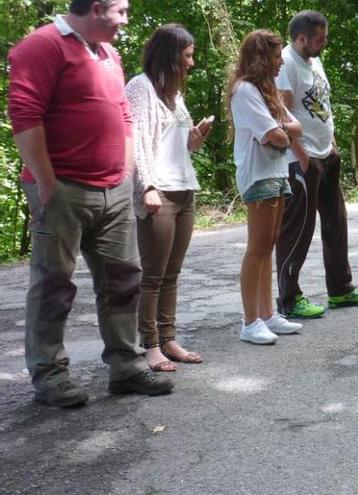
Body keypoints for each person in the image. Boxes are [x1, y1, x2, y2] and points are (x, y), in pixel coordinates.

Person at [8, 0, 173, 407]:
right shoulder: (43, 45)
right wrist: (47, 182)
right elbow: (24, 115)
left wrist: (125, 173)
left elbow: (124, 117)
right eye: (121, 11)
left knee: (123, 280)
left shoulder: (108, 53)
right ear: (97, 8)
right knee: (53, 285)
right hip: (63, 188)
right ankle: (50, 375)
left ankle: (126, 366)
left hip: (112, 189)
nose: (126, 20)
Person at [274, 10, 358, 319]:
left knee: (336, 221)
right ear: (301, 38)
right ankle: (289, 298)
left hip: (326, 153)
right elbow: (282, 112)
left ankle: (341, 289)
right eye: (321, 38)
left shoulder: (314, 60)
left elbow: (321, 104)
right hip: (302, 158)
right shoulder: (286, 63)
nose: (325, 42)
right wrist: (302, 155)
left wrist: (331, 143)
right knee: (299, 227)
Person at [126, 24, 212, 371]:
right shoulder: (140, 88)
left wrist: (196, 137)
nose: (191, 62)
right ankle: (150, 346)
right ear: (171, 54)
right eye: (188, 55)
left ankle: (169, 338)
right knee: (153, 275)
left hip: (184, 188)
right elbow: (136, 142)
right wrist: (146, 186)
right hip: (158, 191)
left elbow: (182, 147)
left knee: (172, 273)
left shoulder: (174, 95)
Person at [228, 29, 307, 344]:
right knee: (257, 246)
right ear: (261, 58)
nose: (280, 64)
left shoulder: (269, 91)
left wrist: (282, 130)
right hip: (258, 174)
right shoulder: (245, 90)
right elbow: (275, 136)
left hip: (276, 170)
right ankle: (250, 321)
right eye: (276, 58)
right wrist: (283, 132)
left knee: (270, 243)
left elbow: (293, 128)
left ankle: (267, 314)